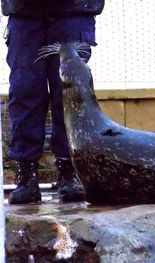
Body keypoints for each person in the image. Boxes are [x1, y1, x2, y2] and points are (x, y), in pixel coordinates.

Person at [1, 0, 105, 204]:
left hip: (74, 11)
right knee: (24, 91)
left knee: (70, 92)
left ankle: (70, 173)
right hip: (24, 13)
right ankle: (26, 177)